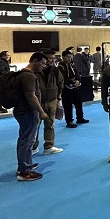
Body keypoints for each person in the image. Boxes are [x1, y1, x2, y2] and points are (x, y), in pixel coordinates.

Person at [14, 52, 50, 181]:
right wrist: (41, 111)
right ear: (35, 61)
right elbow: (31, 96)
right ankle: (24, 171)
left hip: (23, 111)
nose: (44, 66)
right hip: (27, 112)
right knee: (27, 141)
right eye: (42, 63)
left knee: (25, 139)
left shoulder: (22, 74)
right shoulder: (28, 76)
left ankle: (25, 165)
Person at [34, 49, 64, 155]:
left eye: (53, 58)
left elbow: (60, 83)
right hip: (37, 102)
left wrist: (58, 97)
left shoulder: (55, 70)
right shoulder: (35, 71)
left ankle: (49, 146)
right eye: (49, 58)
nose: (51, 60)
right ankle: (33, 147)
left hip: (52, 100)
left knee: (50, 124)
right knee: (35, 125)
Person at [59, 50, 88, 128]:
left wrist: (78, 80)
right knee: (68, 106)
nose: (69, 58)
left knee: (79, 103)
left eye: (70, 57)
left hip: (75, 87)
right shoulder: (60, 67)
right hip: (66, 89)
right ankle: (69, 121)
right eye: (68, 57)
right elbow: (62, 78)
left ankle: (80, 118)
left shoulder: (72, 65)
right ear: (63, 57)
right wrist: (72, 82)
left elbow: (77, 74)